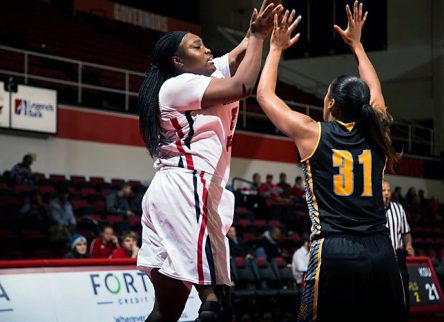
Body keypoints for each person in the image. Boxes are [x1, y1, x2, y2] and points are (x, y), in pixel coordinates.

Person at [256, 3, 406, 321]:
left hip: (335, 252)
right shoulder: (377, 131)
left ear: (332, 103)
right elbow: (375, 89)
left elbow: (265, 96)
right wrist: (357, 45)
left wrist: (276, 49)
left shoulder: (313, 133)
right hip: (381, 252)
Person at [135, 2, 283, 321]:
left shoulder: (201, 76)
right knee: (215, 303)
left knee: (167, 309)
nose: (207, 50)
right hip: (186, 187)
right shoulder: (179, 84)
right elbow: (243, 85)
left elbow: (234, 58)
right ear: (178, 61)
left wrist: (258, 35)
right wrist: (257, 37)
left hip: (178, 191)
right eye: (197, 46)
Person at [383, 180, 414, 315]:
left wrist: (408, 245)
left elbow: (405, 232)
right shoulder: (372, 210)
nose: (387, 193)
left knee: (402, 288)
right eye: (383, 190)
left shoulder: (398, 208)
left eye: (388, 190)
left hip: (398, 254)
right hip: (381, 256)